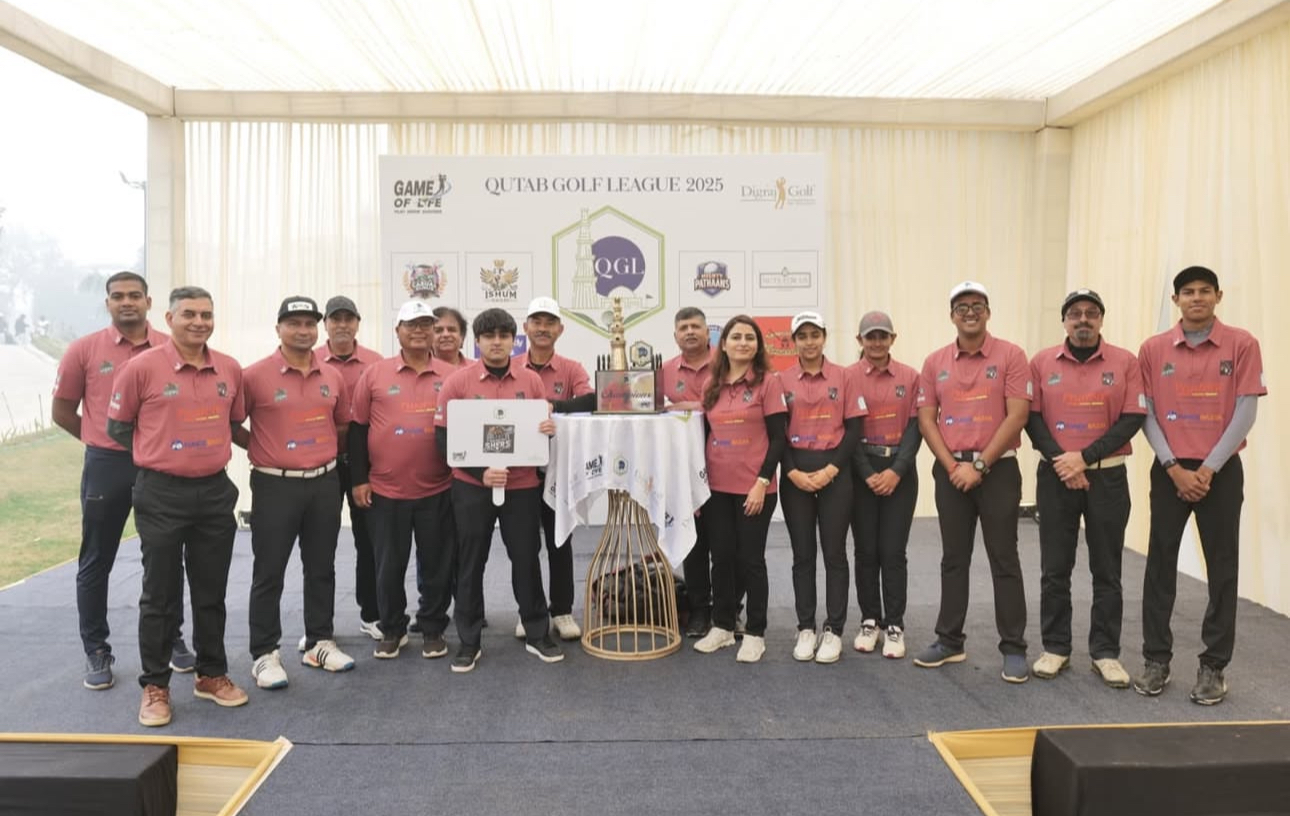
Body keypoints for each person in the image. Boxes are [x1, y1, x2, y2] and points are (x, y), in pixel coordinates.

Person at [107, 286, 249, 727]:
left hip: (214, 492)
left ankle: (211, 674)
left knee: (211, 590)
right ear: (168, 319)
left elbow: (234, 421)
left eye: (206, 314)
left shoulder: (229, 368)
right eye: (189, 314)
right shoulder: (140, 368)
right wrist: (158, 452)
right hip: (161, 494)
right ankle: (155, 685)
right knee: (160, 593)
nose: (199, 322)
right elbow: (118, 428)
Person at [51, 271, 194, 690]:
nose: (126, 302)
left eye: (134, 295)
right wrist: (101, 442)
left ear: (149, 302)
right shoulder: (83, 350)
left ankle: (170, 638)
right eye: (118, 296)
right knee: (97, 558)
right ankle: (96, 649)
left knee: (165, 558)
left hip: (159, 467)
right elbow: (62, 412)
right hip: (107, 465)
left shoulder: (171, 347)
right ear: (108, 303)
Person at [1133, 266, 1266, 705]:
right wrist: (1173, 466)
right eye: (1187, 292)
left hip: (1220, 472)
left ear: (1218, 296)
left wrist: (1208, 468)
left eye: (1204, 291)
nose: (1196, 298)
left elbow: (1246, 410)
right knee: (1160, 566)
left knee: (1222, 569)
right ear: (1175, 300)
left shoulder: (1242, 344)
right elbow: (1146, 413)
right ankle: (1156, 660)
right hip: (1169, 470)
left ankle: (1214, 667)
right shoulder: (1153, 349)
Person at [1024, 289, 1145, 688]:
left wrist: (1085, 457)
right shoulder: (1042, 362)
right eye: (1075, 313)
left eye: (1091, 313)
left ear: (1101, 319)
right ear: (1064, 320)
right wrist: (1065, 462)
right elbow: (1032, 419)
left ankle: (1105, 652)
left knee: (1107, 569)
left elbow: (1132, 419)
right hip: (1056, 476)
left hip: (1107, 476)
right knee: (1054, 568)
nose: (1083, 319)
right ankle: (1055, 647)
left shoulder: (1125, 362)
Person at [913, 281, 1032, 683]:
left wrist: (978, 466)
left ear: (988, 312)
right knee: (953, 558)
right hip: (951, 472)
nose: (969, 312)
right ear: (952, 316)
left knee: (1004, 558)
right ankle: (949, 641)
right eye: (961, 307)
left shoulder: (1011, 355)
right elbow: (927, 420)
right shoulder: (935, 362)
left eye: (977, 305)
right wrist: (952, 466)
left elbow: (1017, 415)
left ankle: (1013, 647)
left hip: (998, 470)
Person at [236, 296, 354, 690]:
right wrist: (262, 446)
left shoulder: (331, 375)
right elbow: (233, 422)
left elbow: (340, 426)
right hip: (275, 483)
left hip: (324, 481)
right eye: (294, 323)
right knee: (269, 571)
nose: (303, 330)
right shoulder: (254, 376)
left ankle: (319, 642)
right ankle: (264, 653)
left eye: (309, 323)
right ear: (278, 328)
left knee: (321, 566)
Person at [435, 307, 560, 672]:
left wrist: (547, 431)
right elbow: (443, 440)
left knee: (526, 558)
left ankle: (537, 633)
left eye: (504, 336)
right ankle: (469, 640)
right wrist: (481, 472)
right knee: (471, 562)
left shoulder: (531, 382)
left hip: (521, 486)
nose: (496, 342)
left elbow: (538, 437)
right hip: (472, 487)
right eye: (489, 336)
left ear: (512, 340)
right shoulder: (457, 383)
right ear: (477, 341)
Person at [348, 300, 458, 661]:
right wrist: (359, 479)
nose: (419, 331)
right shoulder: (374, 374)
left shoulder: (451, 375)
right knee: (388, 566)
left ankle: (432, 627)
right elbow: (358, 429)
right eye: (411, 324)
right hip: (386, 490)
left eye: (426, 324)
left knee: (436, 565)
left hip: (438, 488)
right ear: (398, 331)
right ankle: (392, 629)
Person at [692, 315, 786, 664]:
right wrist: (697, 486)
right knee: (721, 557)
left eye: (750, 337)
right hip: (716, 486)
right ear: (724, 344)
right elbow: (703, 435)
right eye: (736, 337)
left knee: (751, 560)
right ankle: (723, 625)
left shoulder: (768, 383)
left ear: (758, 345)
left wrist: (762, 482)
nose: (743, 343)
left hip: (754, 488)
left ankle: (756, 632)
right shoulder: (711, 384)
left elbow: (778, 439)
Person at [780, 311, 863, 664]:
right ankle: (806, 627)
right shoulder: (781, 380)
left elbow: (855, 429)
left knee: (834, 554)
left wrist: (831, 469)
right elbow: (776, 432)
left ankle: (834, 629)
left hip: (835, 470)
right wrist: (792, 471)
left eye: (815, 334)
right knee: (802, 555)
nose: (809, 341)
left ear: (824, 337)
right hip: (795, 472)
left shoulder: (844, 377)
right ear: (793, 342)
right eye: (802, 336)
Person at [514, 296, 593, 642]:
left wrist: (553, 406)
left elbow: (591, 400)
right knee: (525, 547)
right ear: (526, 327)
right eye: (537, 322)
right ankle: (529, 611)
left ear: (560, 329)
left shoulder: (571, 368)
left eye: (549, 323)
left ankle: (562, 610)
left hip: (559, 471)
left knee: (561, 541)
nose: (543, 328)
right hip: (520, 473)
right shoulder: (511, 366)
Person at [849, 310, 923, 659]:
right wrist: (866, 472)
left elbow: (916, 427)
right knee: (866, 551)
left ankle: (894, 624)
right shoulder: (847, 377)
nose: (877, 342)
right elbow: (848, 430)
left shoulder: (911, 377)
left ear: (893, 338)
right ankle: (870, 620)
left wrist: (897, 470)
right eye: (870, 336)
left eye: (883, 336)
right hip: (860, 469)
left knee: (893, 551)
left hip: (900, 472)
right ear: (860, 340)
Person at [318, 295, 384, 641]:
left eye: (348, 319)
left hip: (364, 465)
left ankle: (372, 614)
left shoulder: (376, 363)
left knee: (370, 543)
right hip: (323, 466)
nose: (342, 325)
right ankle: (319, 627)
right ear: (325, 324)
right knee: (320, 547)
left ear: (358, 323)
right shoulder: (310, 359)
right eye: (335, 319)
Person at [660, 306, 721, 637]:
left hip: (725, 463)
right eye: (683, 328)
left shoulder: (728, 364)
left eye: (696, 326)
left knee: (727, 544)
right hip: (683, 469)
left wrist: (690, 407)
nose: (690, 332)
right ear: (675, 336)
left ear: (707, 331)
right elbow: (652, 410)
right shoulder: (665, 371)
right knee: (693, 541)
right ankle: (699, 610)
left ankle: (728, 609)